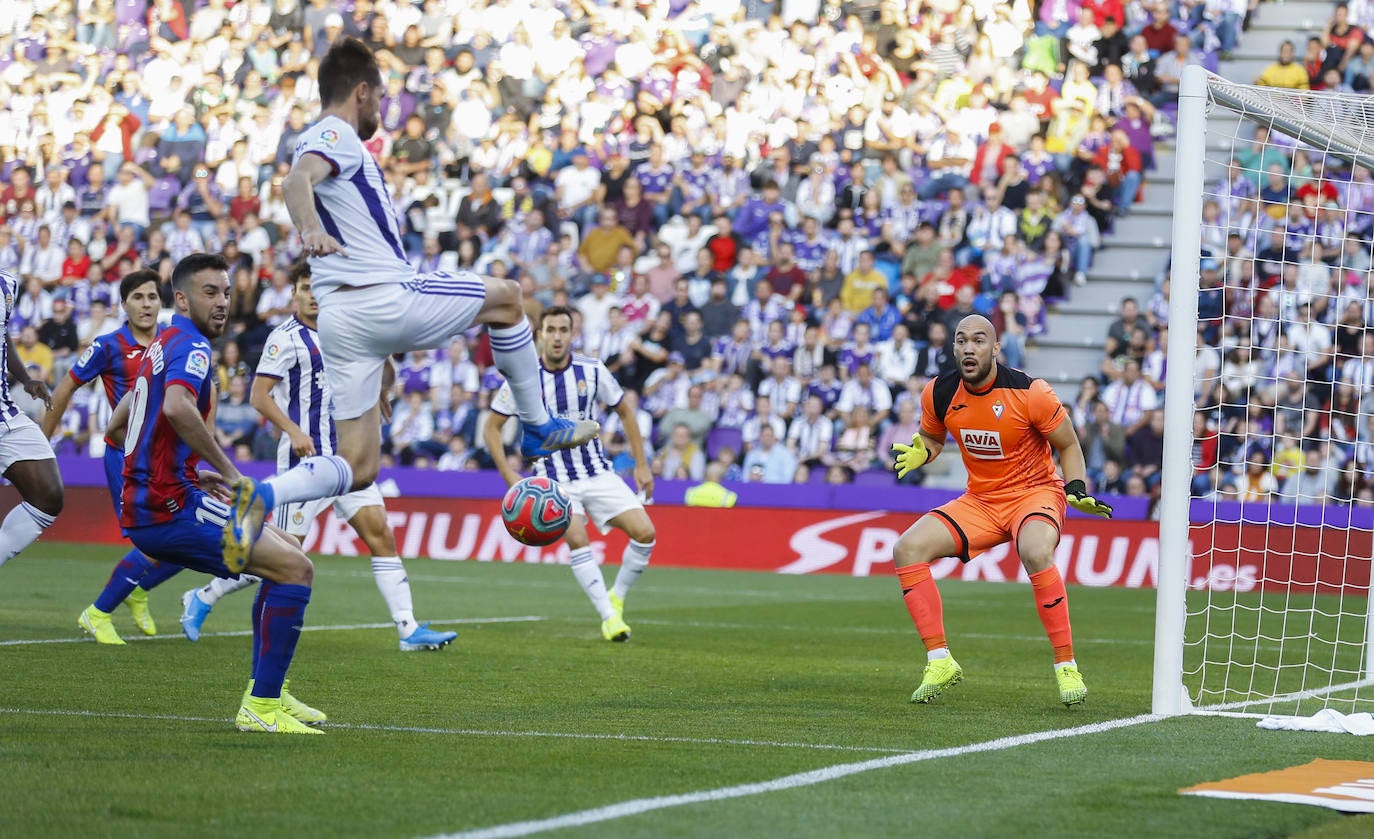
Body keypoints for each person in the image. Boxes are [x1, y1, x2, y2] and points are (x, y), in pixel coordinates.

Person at [230, 37, 597, 567]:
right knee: (509, 298)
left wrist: (382, 361)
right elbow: (295, 182)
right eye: (380, 97)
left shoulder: (324, 141)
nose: (382, 109)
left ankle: (264, 495)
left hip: (340, 322)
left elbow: (303, 181)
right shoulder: (335, 133)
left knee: (358, 467)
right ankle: (538, 425)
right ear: (361, 91)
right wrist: (309, 229)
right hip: (383, 296)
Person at [177, 262, 457, 653]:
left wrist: (382, 387)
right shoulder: (284, 338)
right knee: (284, 552)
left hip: (349, 460)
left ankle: (408, 629)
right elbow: (259, 396)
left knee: (381, 535)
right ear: (293, 292)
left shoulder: (346, 329)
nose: (312, 295)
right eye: (305, 287)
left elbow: (382, 368)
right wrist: (293, 430)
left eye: (318, 287)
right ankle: (203, 596)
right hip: (304, 465)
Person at [115, 253, 324, 734]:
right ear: (182, 299)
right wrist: (228, 472)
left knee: (290, 553)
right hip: (166, 507)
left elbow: (119, 422)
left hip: (167, 494)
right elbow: (176, 407)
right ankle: (261, 705)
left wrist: (186, 470)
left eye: (227, 292)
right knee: (296, 569)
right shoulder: (191, 346)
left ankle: (270, 689)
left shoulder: (162, 342)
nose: (223, 302)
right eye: (210, 292)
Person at [888, 315, 1111, 707]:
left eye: (978, 341)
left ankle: (1066, 665)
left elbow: (1069, 444)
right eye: (961, 340)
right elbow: (932, 437)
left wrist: (1075, 487)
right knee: (907, 548)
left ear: (995, 348)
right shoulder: (938, 392)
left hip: (1034, 493)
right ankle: (939, 661)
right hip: (981, 500)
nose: (968, 348)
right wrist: (925, 451)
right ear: (953, 348)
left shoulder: (1030, 392)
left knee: (1036, 551)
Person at [483, 306, 656, 642]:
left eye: (564, 330)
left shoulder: (592, 370)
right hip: (553, 481)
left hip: (597, 471)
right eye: (551, 330)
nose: (557, 337)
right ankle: (610, 618)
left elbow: (625, 412)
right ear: (540, 335)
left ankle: (616, 596)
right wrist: (508, 475)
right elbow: (492, 427)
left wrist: (642, 464)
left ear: (572, 334)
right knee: (577, 539)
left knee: (645, 533)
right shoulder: (523, 378)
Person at [53, 270, 184, 644]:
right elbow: (65, 388)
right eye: (137, 297)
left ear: (161, 302)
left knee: (192, 542)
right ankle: (99, 613)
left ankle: (137, 591)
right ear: (123, 304)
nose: (146, 304)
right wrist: (41, 443)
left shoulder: (174, 341)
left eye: (152, 297)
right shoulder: (108, 345)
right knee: (152, 542)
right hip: (128, 459)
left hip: (168, 458)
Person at [0, 270, 63, 572]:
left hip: (5, 412)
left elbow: (3, 335)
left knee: (47, 497)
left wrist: (25, 378)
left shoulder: (7, 284)